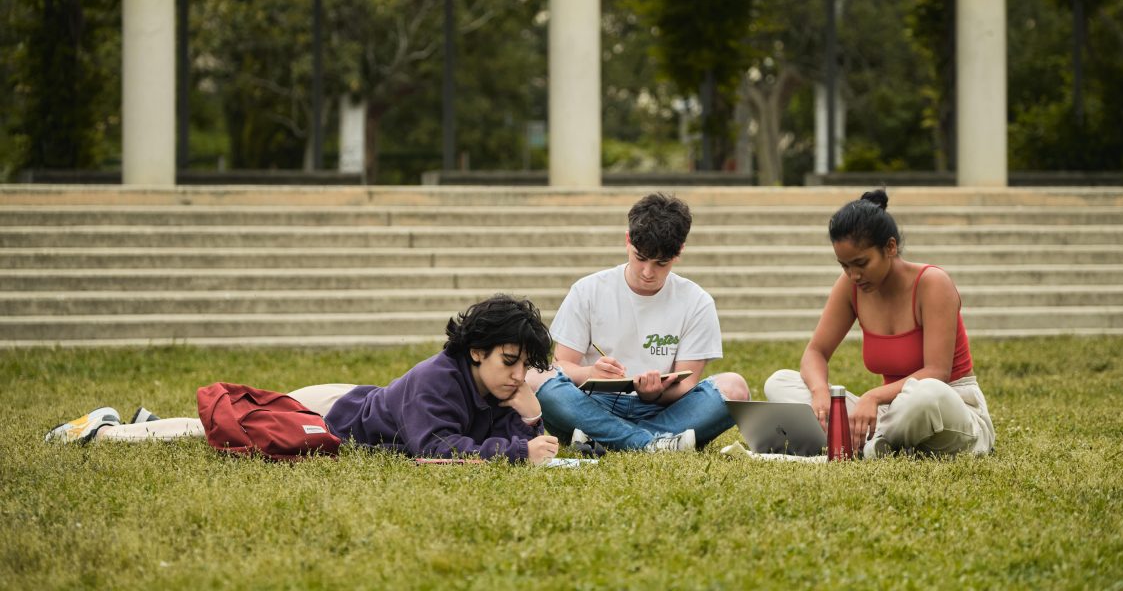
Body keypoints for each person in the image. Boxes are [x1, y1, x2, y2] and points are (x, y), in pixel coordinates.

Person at [45, 295, 562, 465]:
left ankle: (146, 423)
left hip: (350, 399)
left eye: (523, 365)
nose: (517, 374)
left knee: (224, 430)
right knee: (226, 432)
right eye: (509, 361)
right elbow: (435, 450)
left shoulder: (498, 384)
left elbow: (490, 436)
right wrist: (518, 450)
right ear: (476, 351)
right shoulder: (438, 379)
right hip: (325, 411)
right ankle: (100, 429)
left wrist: (528, 419)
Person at [763, 189, 995, 458]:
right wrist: (820, 394)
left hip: (950, 411)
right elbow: (816, 352)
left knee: (925, 394)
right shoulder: (851, 286)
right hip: (891, 413)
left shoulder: (932, 283)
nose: (854, 275)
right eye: (844, 266)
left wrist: (872, 397)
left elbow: (937, 373)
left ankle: (860, 446)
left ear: (890, 247)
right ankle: (871, 444)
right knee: (779, 382)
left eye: (861, 263)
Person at [526, 192, 750, 452]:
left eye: (661, 263)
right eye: (640, 257)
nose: (647, 272)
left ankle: (605, 440)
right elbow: (561, 365)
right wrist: (590, 373)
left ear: (679, 252)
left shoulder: (696, 301)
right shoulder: (588, 290)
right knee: (534, 376)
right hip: (592, 404)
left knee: (734, 388)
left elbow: (687, 383)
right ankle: (652, 444)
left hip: (662, 408)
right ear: (627, 240)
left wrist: (653, 394)